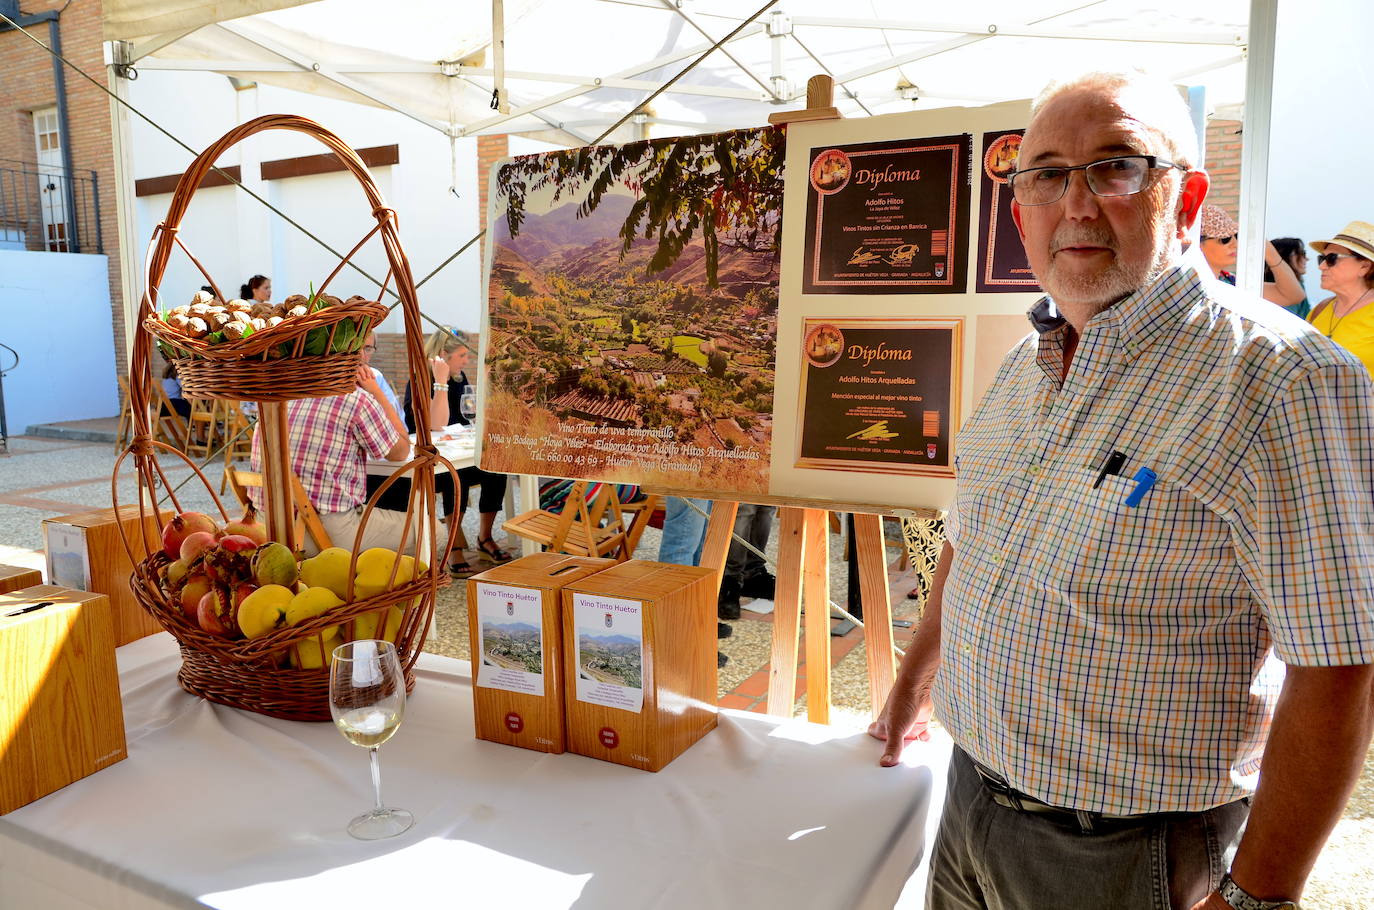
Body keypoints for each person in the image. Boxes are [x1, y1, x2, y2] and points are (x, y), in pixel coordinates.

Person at [870, 69, 1374, 910]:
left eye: (1116, 166)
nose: (1076, 202)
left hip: (1123, 855)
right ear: (1020, 201)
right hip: (966, 810)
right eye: (1045, 174)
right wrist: (910, 685)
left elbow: (1340, 660)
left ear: (1186, 198)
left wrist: (1258, 899)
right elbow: (972, 538)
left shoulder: (1283, 380)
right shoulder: (1025, 361)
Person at [249, 364, 416, 557]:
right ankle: (378, 584)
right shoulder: (356, 399)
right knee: (433, 531)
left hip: (267, 530)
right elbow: (401, 451)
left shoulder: (280, 395)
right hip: (321, 532)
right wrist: (376, 392)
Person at [402, 327, 511, 576]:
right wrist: (440, 383)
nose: (466, 360)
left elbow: (466, 417)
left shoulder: (460, 379)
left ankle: (484, 537)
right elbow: (436, 425)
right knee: (455, 477)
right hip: (427, 464)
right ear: (443, 355)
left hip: (455, 453)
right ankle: (454, 547)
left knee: (495, 468)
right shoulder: (419, 380)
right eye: (462, 355)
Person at [1306, 221, 1374, 376]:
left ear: (1364, 266)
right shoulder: (1320, 309)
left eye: (1332, 258)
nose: (1322, 266)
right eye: (1321, 259)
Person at [1263, 236, 1309, 316]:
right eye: (1302, 253)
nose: (1306, 258)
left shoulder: (1259, 285)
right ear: (1285, 255)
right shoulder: (1285, 291)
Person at [360, 331, 402, 416]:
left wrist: (375, 391)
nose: (361, 356)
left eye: (368, 349)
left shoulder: (376, 376)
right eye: (355, 348)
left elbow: (398, 417)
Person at [1198, 203, 1238, 283]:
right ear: (1199, 244)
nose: (1235, 245)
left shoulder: (1231, 280)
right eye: (1225, 239)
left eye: (1236, 236)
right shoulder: (1188, 288)